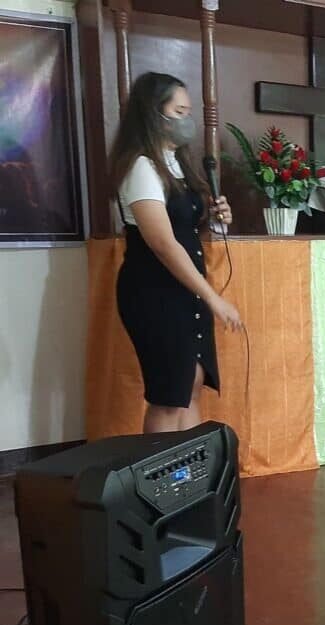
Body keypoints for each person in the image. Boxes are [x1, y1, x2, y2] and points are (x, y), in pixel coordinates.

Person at [109, 71, 243, 434]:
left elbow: (184, 229)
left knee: (192, 383)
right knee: (170, 394)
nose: (188, 121)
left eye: (188, 112)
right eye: (179, 112)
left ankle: (190, 477)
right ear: (155, 114)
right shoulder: (140, 166)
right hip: (154, 291)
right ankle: (163, 485)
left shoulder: (179, 164)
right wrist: (214, 299)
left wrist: (217, 220)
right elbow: (164, 244)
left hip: (184, 288)